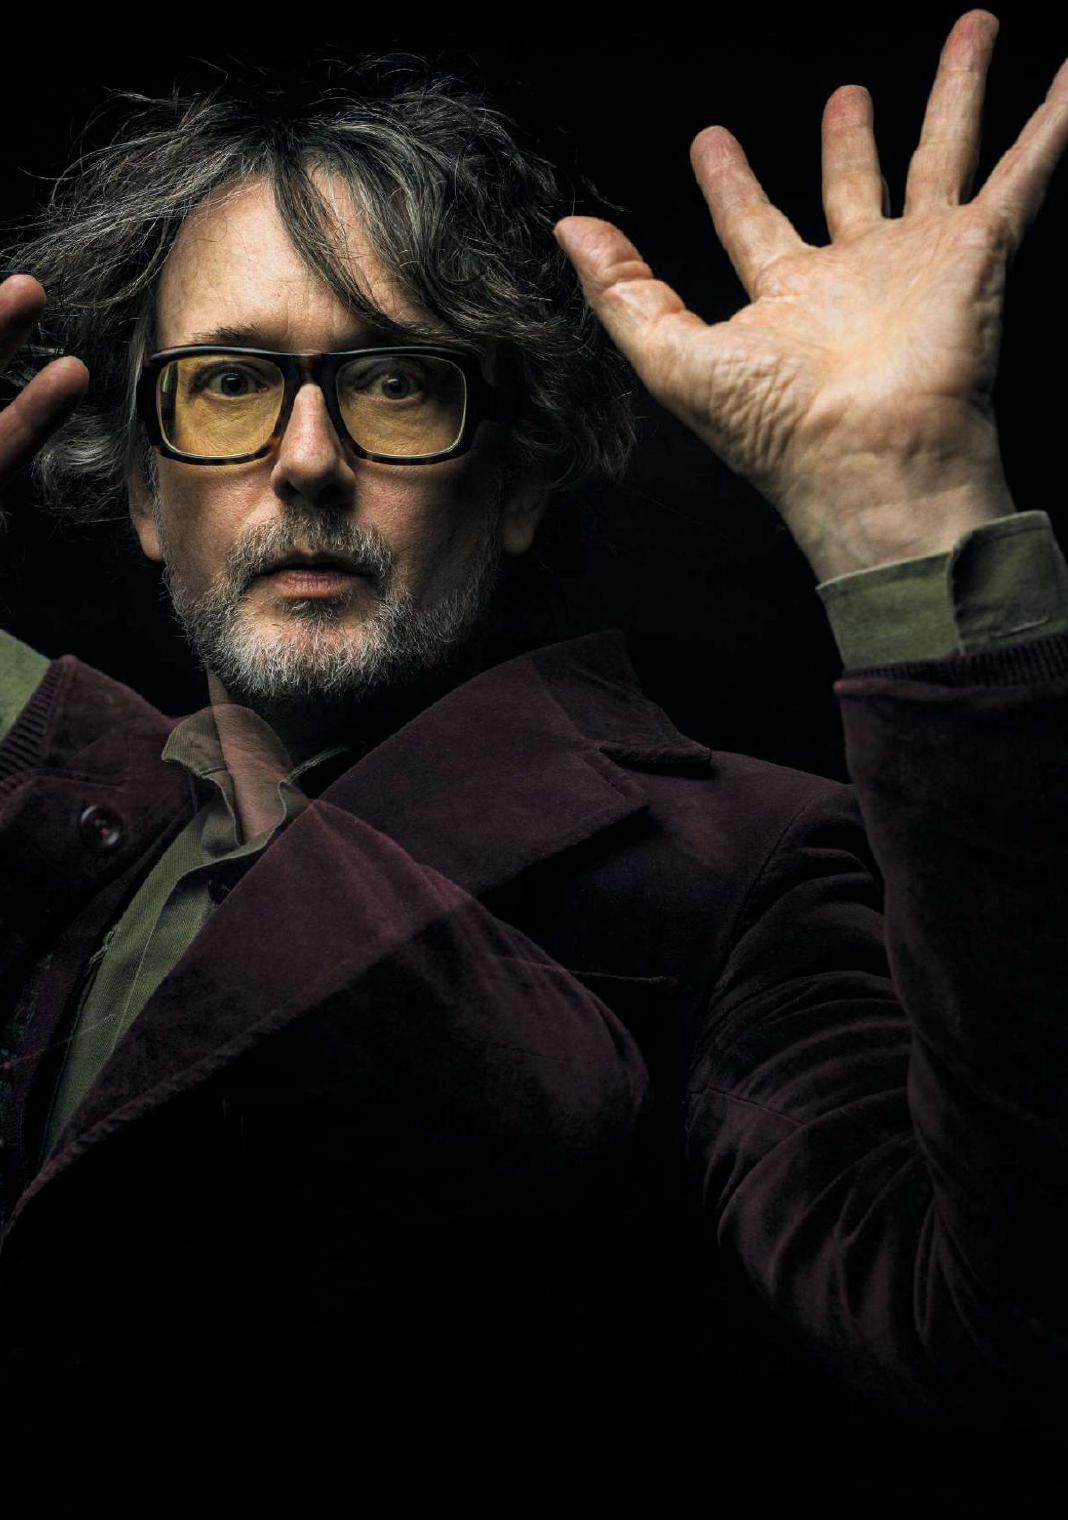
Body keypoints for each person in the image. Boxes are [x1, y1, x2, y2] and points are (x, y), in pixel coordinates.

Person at [1, 7, 1067, 1495]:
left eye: (397, 383)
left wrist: (913, 508)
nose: (306, 460)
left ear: (513, 481)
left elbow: (987, 1325)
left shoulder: (743, 867)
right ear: (141, 493)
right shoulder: (40, 823)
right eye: (229, 383)